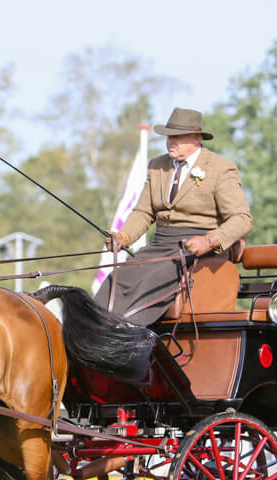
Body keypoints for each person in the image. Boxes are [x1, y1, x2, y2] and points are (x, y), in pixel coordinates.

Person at [94, 107, 252, 326]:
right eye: (168, 136)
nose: (170, 142)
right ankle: (96, 327)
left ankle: (128, 329)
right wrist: (124, 237)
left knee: (158, 277)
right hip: (160, 245)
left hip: (197, 250)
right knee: (120, 276)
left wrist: (208, 241)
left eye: (177, 137)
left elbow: (242, 218)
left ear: (196, 138)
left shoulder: (220, 169)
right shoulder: (157, 166)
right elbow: (144, 211)